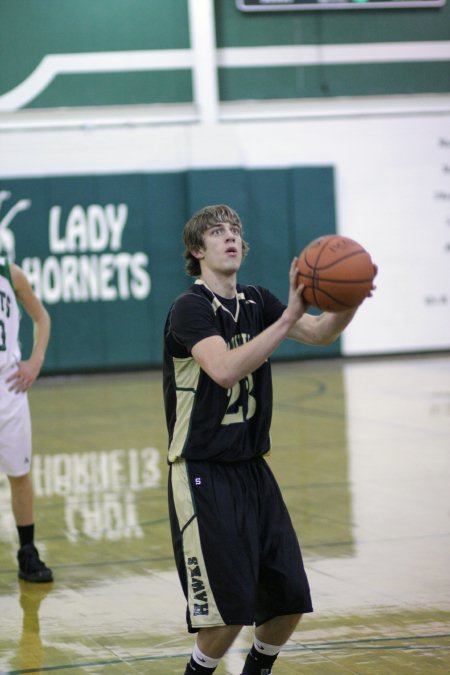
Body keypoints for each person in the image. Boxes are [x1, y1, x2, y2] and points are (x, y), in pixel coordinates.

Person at [163, 204, 375, 675]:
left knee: (289, 600)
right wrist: (286, 319)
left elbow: (320, 332)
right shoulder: (190, 308)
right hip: (201, 470)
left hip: (253, 468)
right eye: (218, 232)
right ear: (198, 250)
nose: (230, 237)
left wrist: (351, 298)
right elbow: (223, 369)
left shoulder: (257, 300)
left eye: (235, 230)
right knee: (229, 610)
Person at [0, 255, 52, 582]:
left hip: (9, 387)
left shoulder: (10, 272)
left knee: (20, 473)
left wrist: (35, 361)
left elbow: (42, 318)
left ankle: (27, 552)